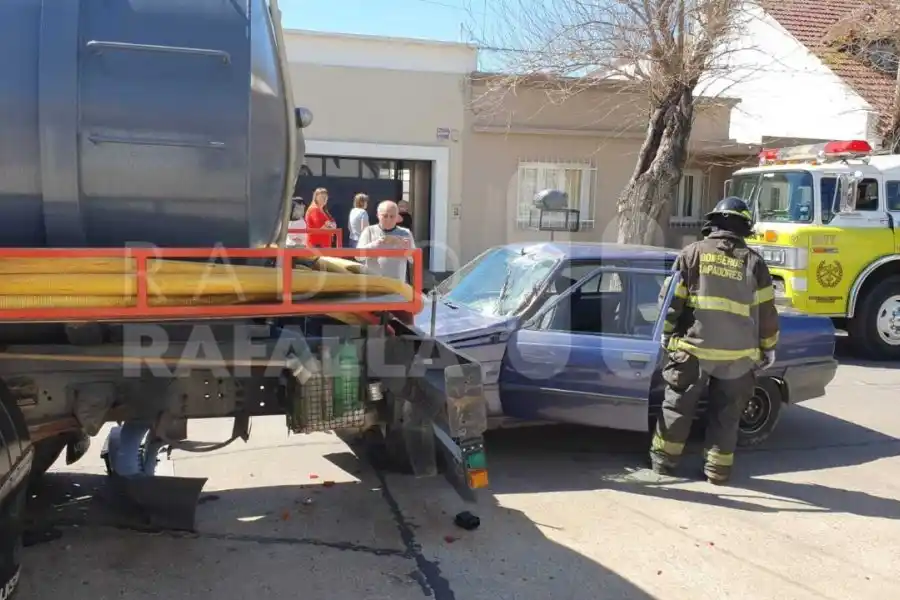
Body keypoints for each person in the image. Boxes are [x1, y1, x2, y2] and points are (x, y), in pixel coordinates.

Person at [650, 196, 779, 485]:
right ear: (744, 227)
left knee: (677, 407)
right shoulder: (755, 263)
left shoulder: (692, 254)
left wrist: (666, 334)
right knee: (727, 415)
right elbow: (766, 312)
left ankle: (663, 462)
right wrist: (768, 347)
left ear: (714, 223)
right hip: (738, 357)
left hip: (693, 350)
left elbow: (670, 302)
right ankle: (717, 471)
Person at [356, 200, 415, 282]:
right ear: (378, 215)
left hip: (397, 284)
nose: (388, 220)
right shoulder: (369, 231)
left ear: (397, 217)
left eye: (392, 216)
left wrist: (407, 248)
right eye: (385, 216)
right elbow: (358, 256)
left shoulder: (405, 233)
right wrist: (375, 245)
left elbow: (413, 259)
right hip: (373, 284)